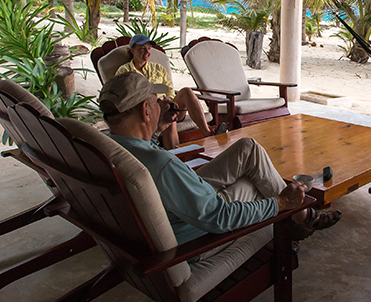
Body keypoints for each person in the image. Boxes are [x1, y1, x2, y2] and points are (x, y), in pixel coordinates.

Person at [100, 72, 341, 243]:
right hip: (195, 222)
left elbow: (145, 153)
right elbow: (218, 217)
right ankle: (298, 215)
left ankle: (299, 215)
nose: (162, 103)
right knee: (253, 184)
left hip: (176, 200)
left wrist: (158, 129)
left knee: (248, 147)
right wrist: (279, 203)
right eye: (155, 101)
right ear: (145, 111)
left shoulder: (106, 147)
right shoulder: (162, 165)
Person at [113, 34, 217, 148]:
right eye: (142, 49)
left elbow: (170, 90)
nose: (147, 52)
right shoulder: (124, 71)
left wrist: (169, 100)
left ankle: (207, 133)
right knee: (169, 112)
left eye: (148, 48)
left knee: (186, 92)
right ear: (132, 50)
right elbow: (123, 96)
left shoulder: (158, 68)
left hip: (168, 105)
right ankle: (174, 156)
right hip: (147, 112)